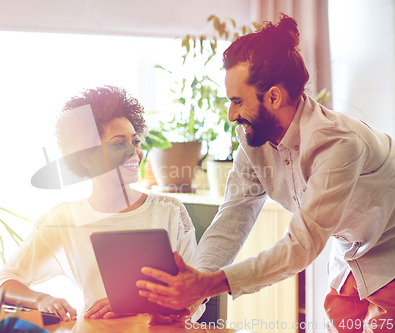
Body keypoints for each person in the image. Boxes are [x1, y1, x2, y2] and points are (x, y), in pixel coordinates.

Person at [136, 14, 395, 332]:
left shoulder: (337, 143)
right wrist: (190, 297)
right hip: (349, 256)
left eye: (237, 101)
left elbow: (301, 247)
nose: (231, 114)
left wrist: (209, 285)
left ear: (273, 96)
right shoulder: (254, 143)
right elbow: (231, 222)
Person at [0, 86, 204, 324]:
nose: (134, 151)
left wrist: (133, 306)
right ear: (86, 157)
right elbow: (3, 282)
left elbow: (196, 293)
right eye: (118, 143)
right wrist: (42, 300)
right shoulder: (65, 218)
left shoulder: (169, 211)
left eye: (135, 141)